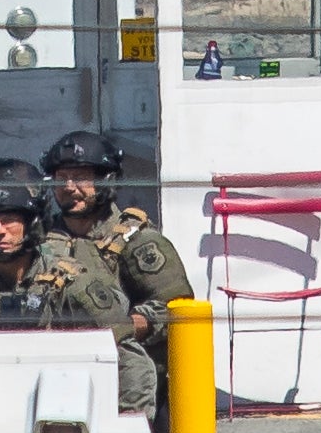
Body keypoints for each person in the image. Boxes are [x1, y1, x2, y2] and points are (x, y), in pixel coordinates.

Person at [0, 157, 153, 407]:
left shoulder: (70, 283)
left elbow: (132, 363)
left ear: (32, 222)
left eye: (9, 219)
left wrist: (126, 424)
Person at [41, 126, 203, 348]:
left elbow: (174, 306)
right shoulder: (41, 241)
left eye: (80, 177)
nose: (69, 187)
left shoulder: (136, 239)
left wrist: (125, 327)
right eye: (61, 178)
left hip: (124, 360)